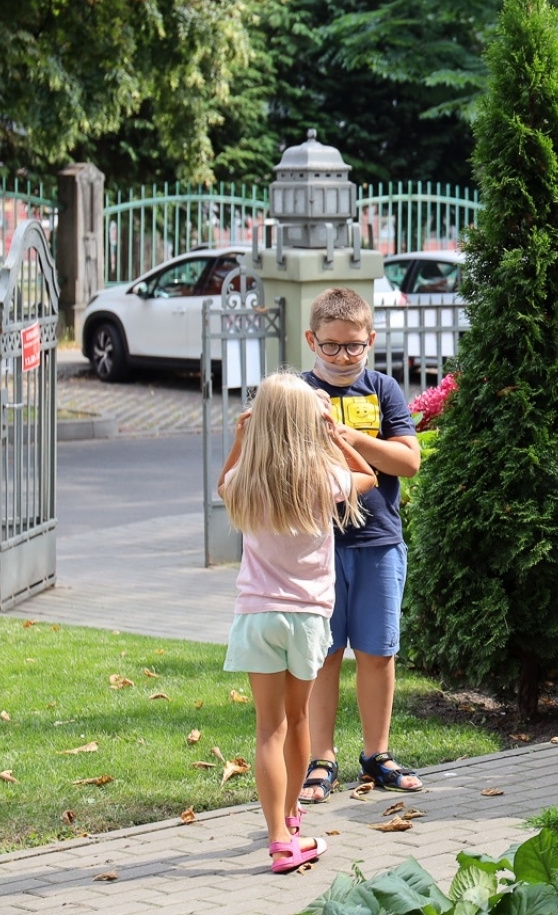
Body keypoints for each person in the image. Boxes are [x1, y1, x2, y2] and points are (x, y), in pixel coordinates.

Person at [218, 371, 379, 873]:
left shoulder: (247, 481)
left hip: (256, 616)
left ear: (259, 421)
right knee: (299, 720)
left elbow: (223, 484)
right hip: (308, 617)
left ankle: (277, 839)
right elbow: (369, 479)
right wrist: (337, 438)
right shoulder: (322, 478)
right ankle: (292, 819)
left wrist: (240, 442)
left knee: (268, 728)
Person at [298, 288, 423, 804]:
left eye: (354, 346)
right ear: (311, 341)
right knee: (324, 656)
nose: (344, 357)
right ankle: (320, 758)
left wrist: (346, 435)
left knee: (377, 652)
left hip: (379, 542)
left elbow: (407, 461)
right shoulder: (297, 395)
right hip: (315, 548)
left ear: (370, 341)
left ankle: (377, 754)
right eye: (331, 347)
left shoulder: (384, 390)